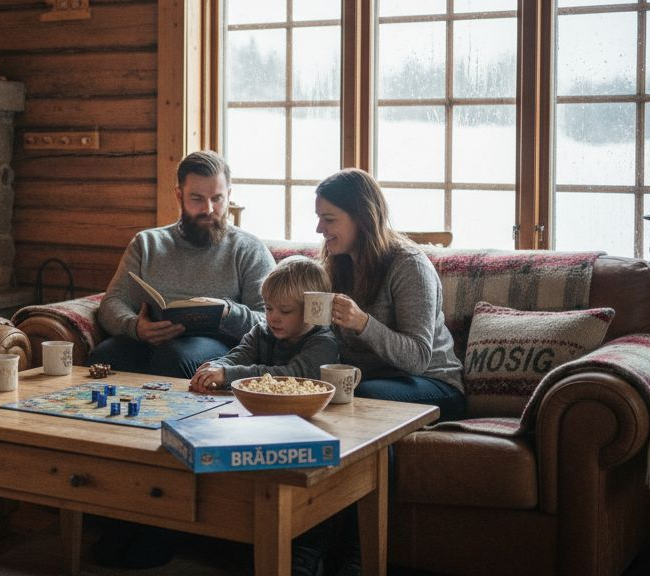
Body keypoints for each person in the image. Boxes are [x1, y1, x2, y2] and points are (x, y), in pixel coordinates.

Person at [89, 150, 275, 379]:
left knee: (174, 357)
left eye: (217, 199)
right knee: (105, 355)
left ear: (228, 194)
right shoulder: (147, 243)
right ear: (179, 195)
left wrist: (228, 312)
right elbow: (112, 302)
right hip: (149, 339)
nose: (208, 209)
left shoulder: (248, 249)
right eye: (197, 199)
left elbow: (269, 321)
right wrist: (135, 327)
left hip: (220, 346)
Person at [313, 168, 464, 420]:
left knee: (359, 395)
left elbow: (418, 358)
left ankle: (380, 461)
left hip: (433, 383)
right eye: (318, 218)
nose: (319, 228)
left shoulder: (409, 266)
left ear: (361, 219)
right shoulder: (338, 262)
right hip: (370, 380)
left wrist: (362, 323)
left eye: (329, 219)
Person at [189, 256, 338, 392]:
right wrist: (218, 367)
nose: (273, 318)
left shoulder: (324, 342)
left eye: (285, 311)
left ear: (311, 310)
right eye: (268, 308)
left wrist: (227, 374)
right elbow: (240, 356)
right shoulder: (262, 330)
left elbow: (293, 375)